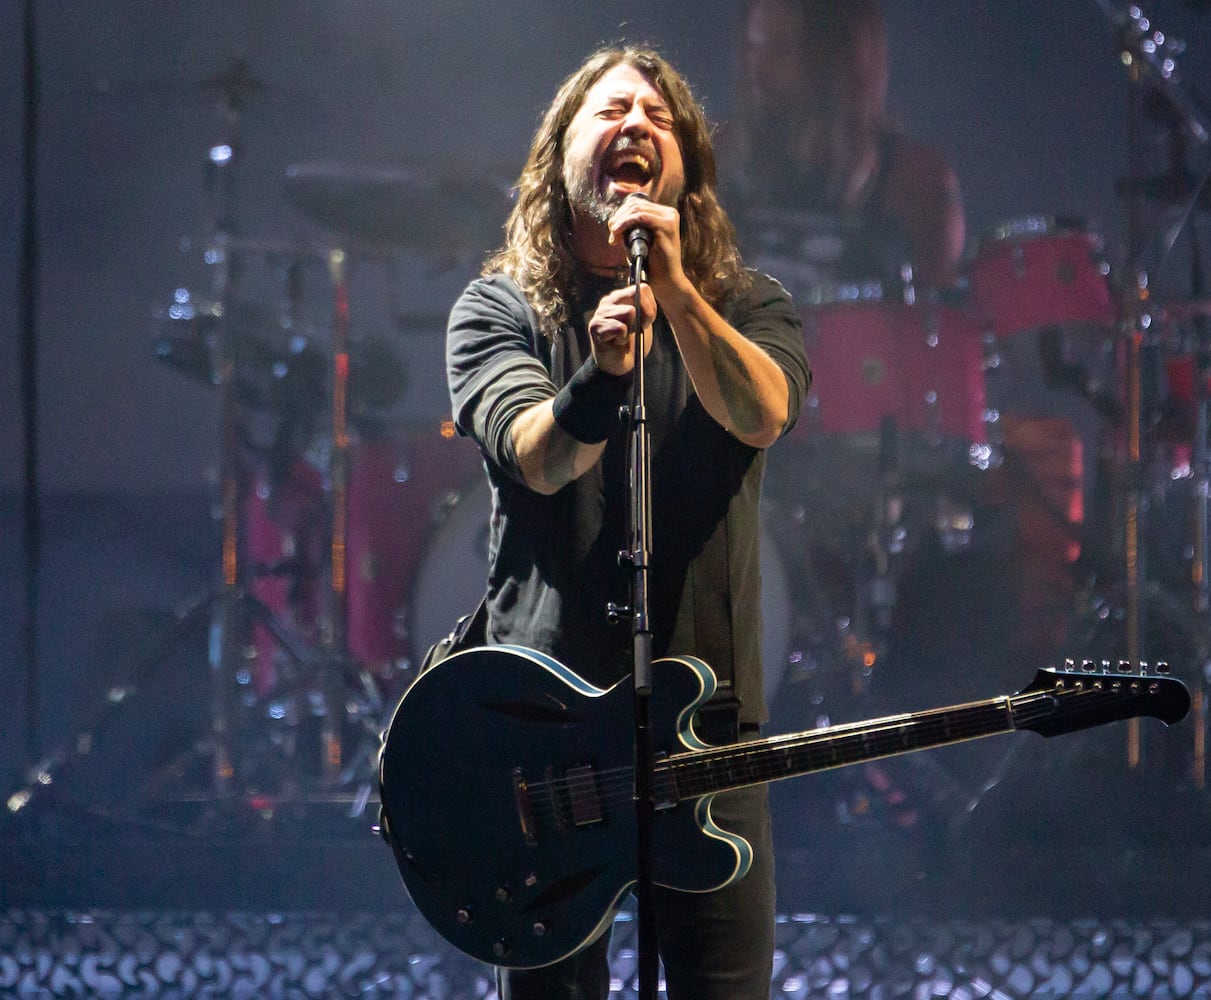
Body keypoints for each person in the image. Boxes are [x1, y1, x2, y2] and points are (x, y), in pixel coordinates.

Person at [445, 44, 809, 1000]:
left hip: (709, 735)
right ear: (558, 161)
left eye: (658, 117)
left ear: (685, 172)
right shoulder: (499, 311)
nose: (635, 125)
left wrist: (678, 298)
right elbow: (538, 452)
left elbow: (762, 411)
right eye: (607, 113)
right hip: (546, 737)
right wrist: (603, 377)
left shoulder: (748, 306)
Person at [730, 0, 966, 294]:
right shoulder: (720, 161)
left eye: (782, 50)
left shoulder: (914, 183)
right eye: (754, 47)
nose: (758, 71)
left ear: (838, 59)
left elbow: (937, 328)